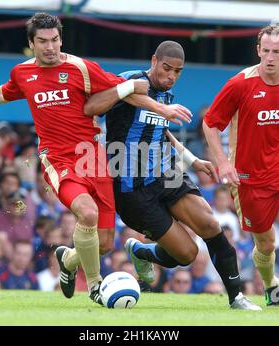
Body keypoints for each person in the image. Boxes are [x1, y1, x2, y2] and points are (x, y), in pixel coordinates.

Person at [0, 13, 192, 305]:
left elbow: (123, 92)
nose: (50, 47)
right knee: (87, 213)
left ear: (61, 39)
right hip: (57, 157)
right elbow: (7, 92)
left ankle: (67, 261)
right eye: (42, 41)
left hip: (93, 156)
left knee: (104, 244)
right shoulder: (23, 73)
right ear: (32, 43)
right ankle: (95, 285)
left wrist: (157, 106)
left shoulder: (81, 67)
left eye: (54, 40)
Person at [84, 40, 261, 310]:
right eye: (167, 68)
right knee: (187, 254)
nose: (171, 76)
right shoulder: (131, 80)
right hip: (132, 188)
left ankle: (236, 297)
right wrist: (140, 97)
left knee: (211, 226)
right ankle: (141, 251)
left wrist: (191, 159)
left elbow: (160, 132)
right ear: (154, 60)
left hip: (166, 175)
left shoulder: (167, 94)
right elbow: (93, 105)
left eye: (178, 71)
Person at [203, 24, 279, 306]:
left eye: (277, 52)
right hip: (251, 177)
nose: (271, 58)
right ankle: (271, 285)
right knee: (266, 243)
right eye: (266, 51)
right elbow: (210, 124)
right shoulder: (241, 83)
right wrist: (223, 163)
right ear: (258, 50)